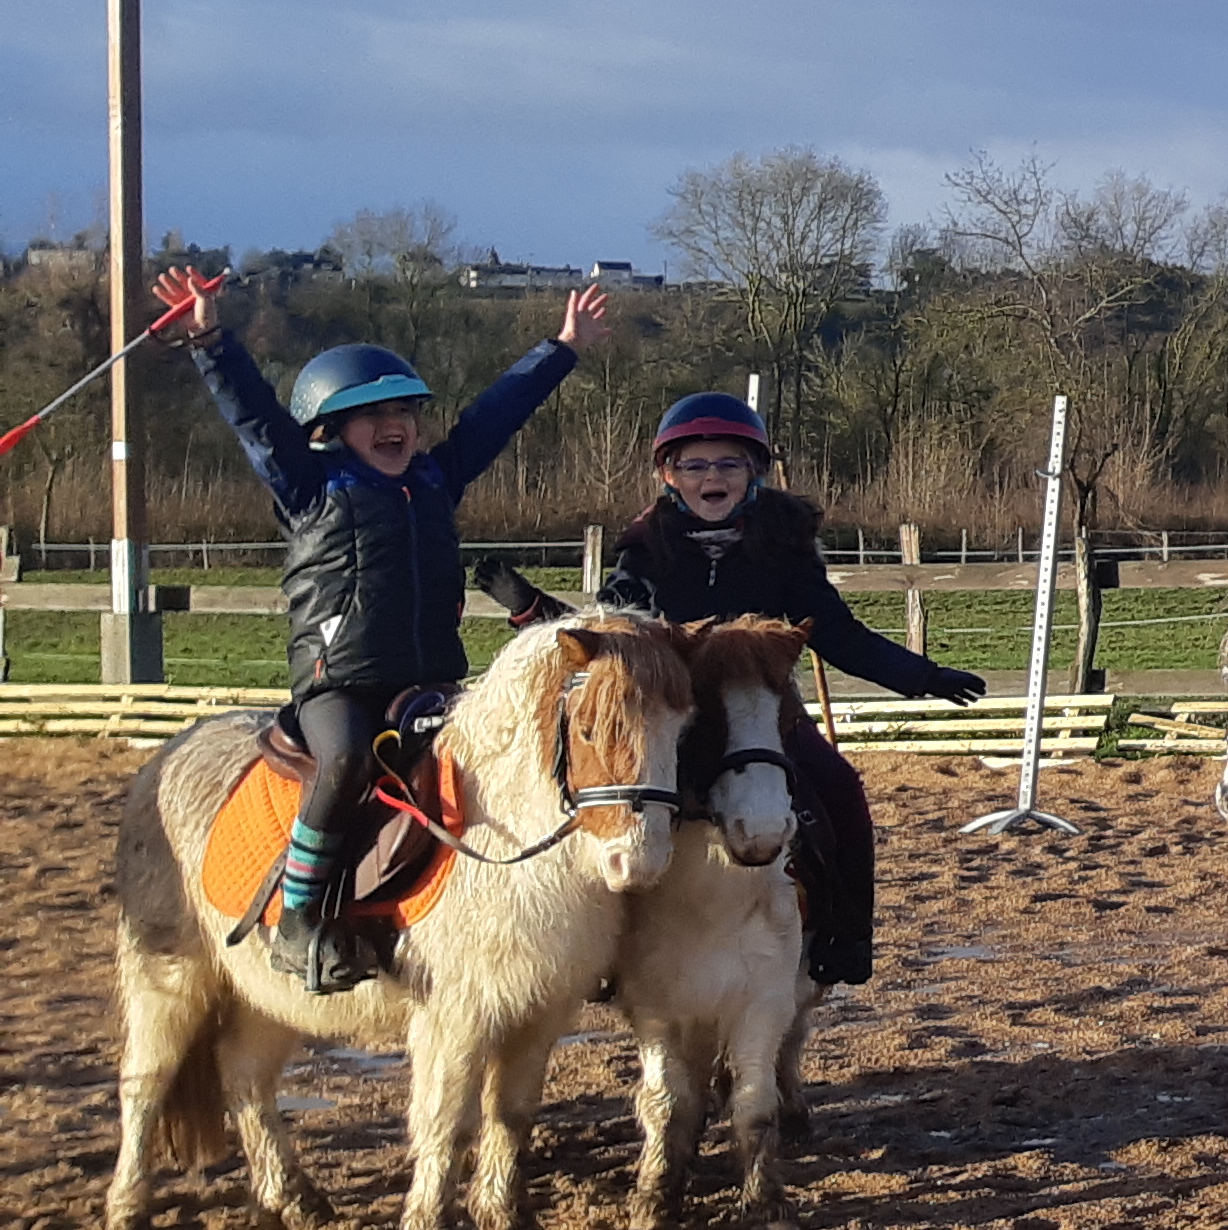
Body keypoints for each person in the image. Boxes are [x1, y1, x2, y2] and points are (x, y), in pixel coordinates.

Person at [171, 269, 605, 993]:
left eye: (404, 409)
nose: (394, 421)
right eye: (372, 414)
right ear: (329, 432)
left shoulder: (437, 479)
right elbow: (251, 417)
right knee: (343, 765)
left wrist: (560, 349)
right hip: (337, 685)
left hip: (431, 680)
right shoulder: (311, 489)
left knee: (503, 766)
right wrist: (210, 339)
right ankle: (301, 921)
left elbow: (495, 415)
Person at [480, 392, 987, 987]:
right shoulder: (646, 546)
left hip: (761, 717)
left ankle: (845, 935)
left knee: (840, 790)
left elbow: (839, 633)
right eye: (694, 465)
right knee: (618, 803)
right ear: (668, 475)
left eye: (727, 463)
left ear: (753, 473)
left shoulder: (785, 547)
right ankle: (604, 957)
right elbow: (611, 635)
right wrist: (532, 610)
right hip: (682, 721)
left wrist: (923, 678)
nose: (711, 476)